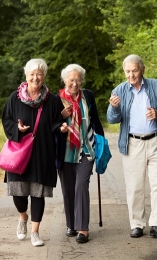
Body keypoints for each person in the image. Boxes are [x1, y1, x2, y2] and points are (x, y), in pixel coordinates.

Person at [1, 58, 68, 247]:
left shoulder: (52, 100)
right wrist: (17, 128)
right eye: (32, 73)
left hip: (42, 152)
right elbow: (6, 119)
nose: (35, 77)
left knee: (38, 194)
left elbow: (56, 122)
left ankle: (35, 232)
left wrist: (61, 128)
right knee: (19, 195)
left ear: (44, 76)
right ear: (26, 75)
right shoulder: (14, 98)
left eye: (39, 73)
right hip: (19, 153)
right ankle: (23, 218)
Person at [107, 54, 157, 238]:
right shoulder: (119, 90)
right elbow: (112, 119)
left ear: (142, 70)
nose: (131, 75)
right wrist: (114, 108)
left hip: (156, 141)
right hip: (132, 143)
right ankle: (137, 224)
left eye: (134, 70)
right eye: (127, 71)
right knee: (135, 186)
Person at [55, 64, 105, 244]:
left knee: (81, 184)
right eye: (71, 80)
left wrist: (102, 145)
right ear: (64, 80)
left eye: (78, 80)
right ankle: (71, 224)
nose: (74, 83)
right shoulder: (57, 99)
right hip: (66, 150)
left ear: (81, 80)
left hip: (86, 148)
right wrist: (60, 117)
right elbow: (50, 125)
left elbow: (96, 121)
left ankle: (83, 228)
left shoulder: (88, 96)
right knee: (68, 188)